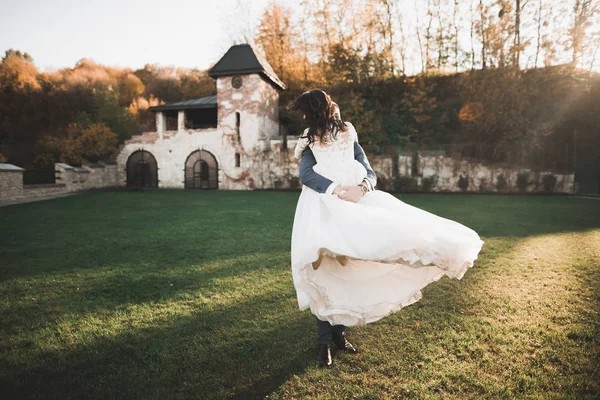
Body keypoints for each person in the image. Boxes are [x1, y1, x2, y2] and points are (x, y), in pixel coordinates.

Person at [287, 89, 484, 368]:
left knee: (348, 270)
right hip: (321, 213)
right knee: (324, 273)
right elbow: (307, 175)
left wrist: (361, 188)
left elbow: (369, 170)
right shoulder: (308, 139)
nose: (304, 116)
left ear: (313, 110)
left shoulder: (348, 132)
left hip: (357, 208)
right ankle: (323, 344)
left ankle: (339, 337)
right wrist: (337, 190)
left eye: (305, 111)